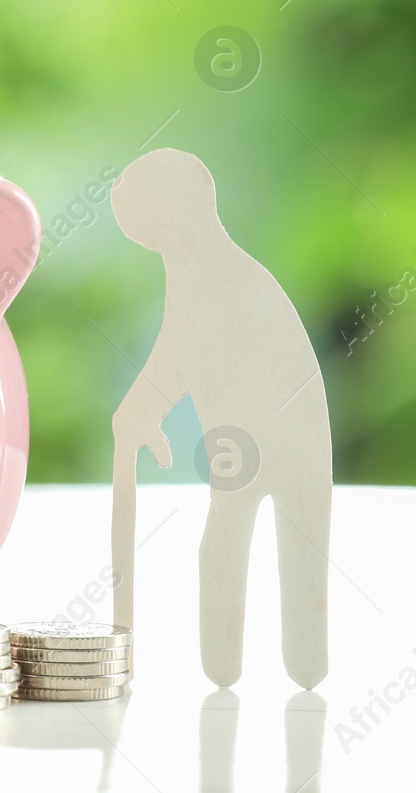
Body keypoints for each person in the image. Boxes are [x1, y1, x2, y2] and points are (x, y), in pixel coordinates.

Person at [110, 147, 330, 689]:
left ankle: (290, 664)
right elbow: (182, 352)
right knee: (238, 544)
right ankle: (246, 668)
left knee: (267, 548)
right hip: (248, 446)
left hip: (275, 442)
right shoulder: (204, 268)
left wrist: (137, 410)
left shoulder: (216, 275)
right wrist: (138, 412)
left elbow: (181, 352)